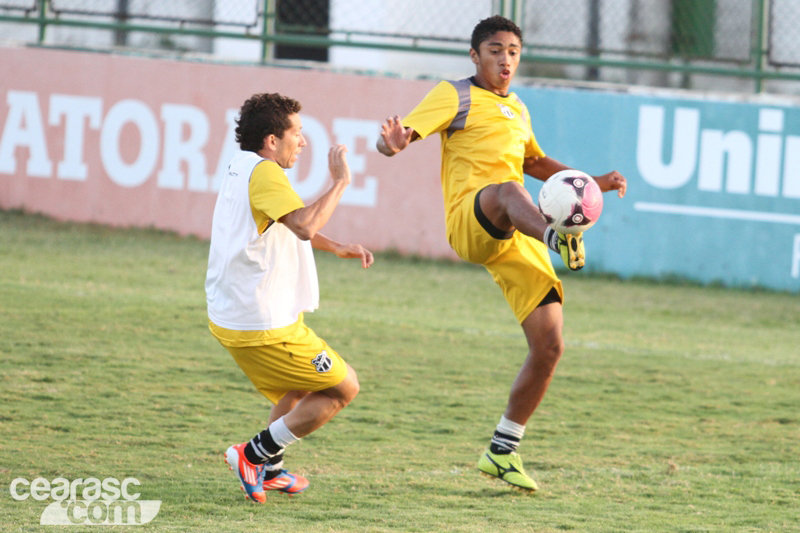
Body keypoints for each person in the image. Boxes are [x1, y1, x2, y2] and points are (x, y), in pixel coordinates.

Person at [376, 15, 626, 492]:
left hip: (517, 234)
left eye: (512, 50)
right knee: (509, 189)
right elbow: (403, 135)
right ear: (475, 56)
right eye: (494, 50)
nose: (504, 59)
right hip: (474, 218)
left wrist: (592, 181)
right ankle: (560, 238)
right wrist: (389, 146)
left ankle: (502, 450)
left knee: (550, 345)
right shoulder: (455, 94)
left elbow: (535, 163)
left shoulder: (519, 109)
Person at [206, 93, 374, 503]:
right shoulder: (265, 173)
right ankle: (252, 454)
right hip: (262, 323)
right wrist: (341, 182)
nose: (302, 141)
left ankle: (272, 469)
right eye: (296, 133)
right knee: (342, 389)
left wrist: (335, 246)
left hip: (240, 313)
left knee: (297, 389)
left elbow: (282, 222)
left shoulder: (240, 166)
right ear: (270, 140)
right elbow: (301, 224)